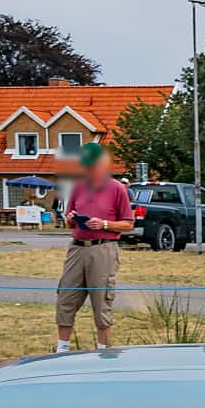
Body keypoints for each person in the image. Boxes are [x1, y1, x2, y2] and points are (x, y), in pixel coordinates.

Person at [55, 140, 133, 353]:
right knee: (66, 297)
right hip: (78, 247)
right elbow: (67, 221)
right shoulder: (79, 187)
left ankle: (103, 351)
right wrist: (71, 218)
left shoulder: (117, 189)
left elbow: (128, 223)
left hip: (103, 248)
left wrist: (105, 224)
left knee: (101, 301)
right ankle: (62, 349)